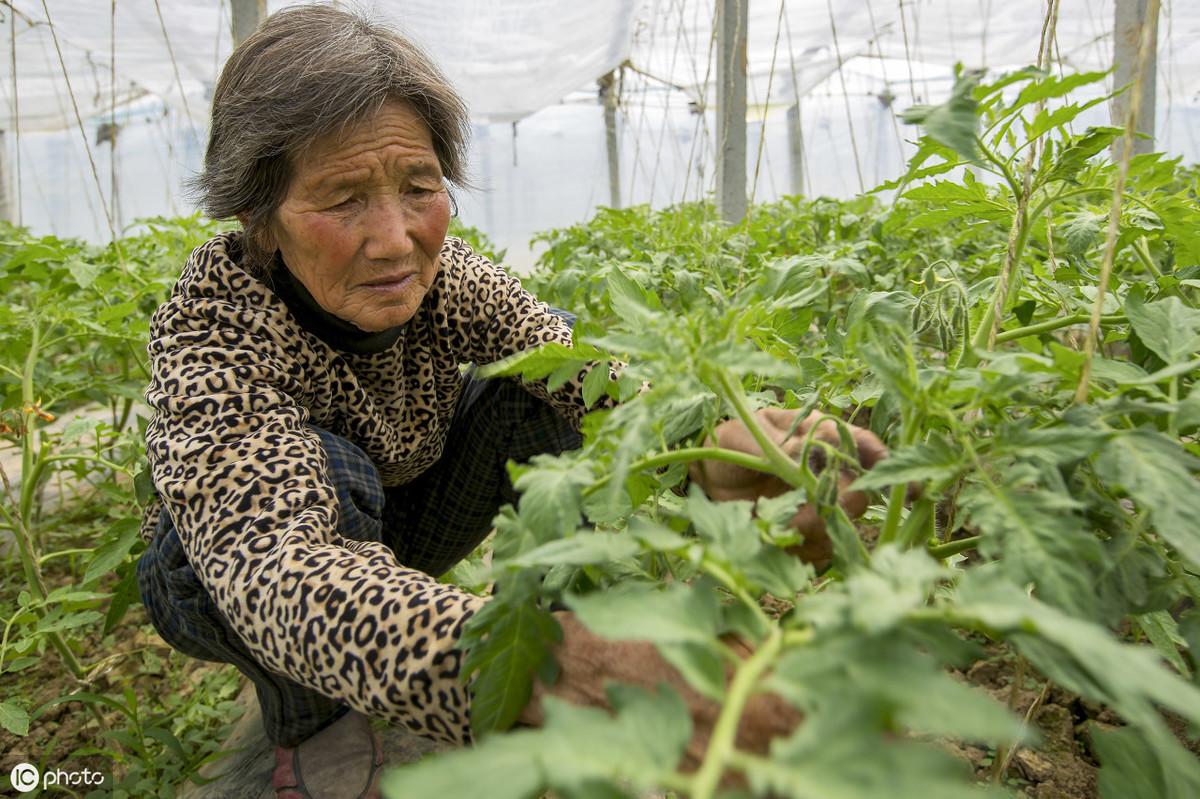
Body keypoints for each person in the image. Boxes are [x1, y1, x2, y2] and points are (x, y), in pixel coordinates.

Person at [134, 6, 886, 798]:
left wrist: (713, 445)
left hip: (403, 509)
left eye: (418, 186)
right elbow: (278, 574)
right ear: (259, 220)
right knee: (328, 474)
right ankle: (314, 728)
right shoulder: (214, 329)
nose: (394, 238)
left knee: (544, 377)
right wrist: (528, 664)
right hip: (226, 578)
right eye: (343, 198)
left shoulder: (442, 274)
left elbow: (584, 373)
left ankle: (559, 617)